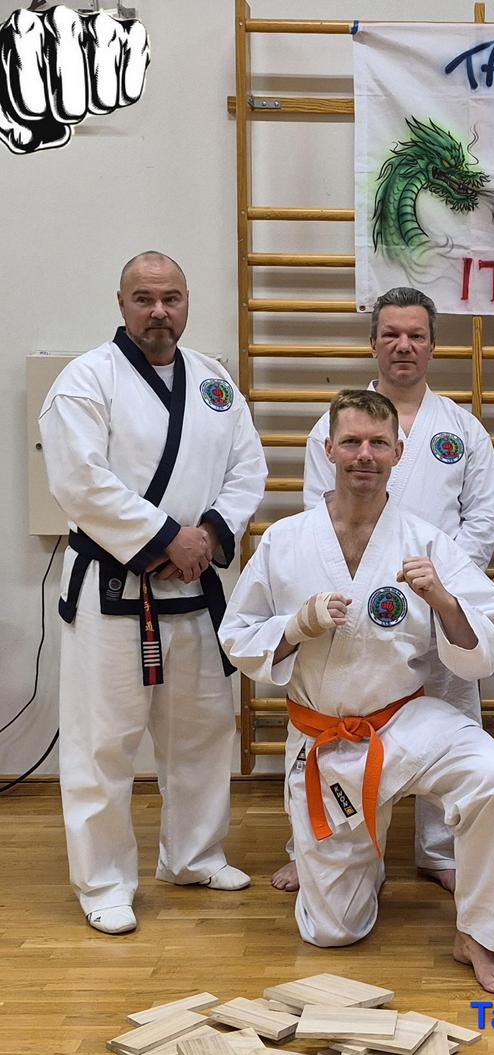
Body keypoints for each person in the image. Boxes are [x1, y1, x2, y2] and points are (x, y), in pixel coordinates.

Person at [220, 390, 494, 993]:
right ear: (328, 449)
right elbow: (237, 636)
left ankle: (480, 933)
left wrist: (442, 598)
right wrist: (297, 625)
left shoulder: (426, 542)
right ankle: (361, 855)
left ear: (398, 453)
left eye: (378, 443)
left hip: (405, 723)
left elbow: (482, 647)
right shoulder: (285, 540)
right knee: (334, 932)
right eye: (352, 442)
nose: (365, 454)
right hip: (328, 740)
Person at [38, 251, 267, 935]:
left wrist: (210, 535)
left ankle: (193, 856)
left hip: (192, 588)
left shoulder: (214, 380)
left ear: (187, 302)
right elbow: (81, 482)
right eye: (144, 298)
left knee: (201, 732)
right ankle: (104, 882)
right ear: (122, 304)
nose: (159, 311)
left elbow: (247, 466)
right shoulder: (87, 379)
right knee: (103, 743)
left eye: (171, 298)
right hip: (115, 590)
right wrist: (167, 537)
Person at [275, 287, 494, 894]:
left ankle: (438, 850)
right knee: (333, 721)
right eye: (392, 334)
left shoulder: (462, 429)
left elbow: (483, 517)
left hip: (437, 600)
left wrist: (443, 586)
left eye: (416, 335)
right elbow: (319, 518)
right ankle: (318, 845)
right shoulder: (336, 424)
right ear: (373, 342)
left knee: (452, 721)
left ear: (433, 345)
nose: (404, 345)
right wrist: (363, 586)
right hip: (357, 607)